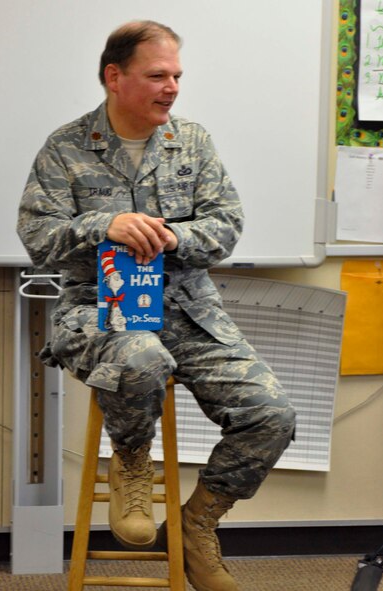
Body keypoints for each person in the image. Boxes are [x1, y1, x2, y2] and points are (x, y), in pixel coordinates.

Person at [17, 20, 296, 591]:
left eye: (176, 76)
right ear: (114, 78)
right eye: (157, 75)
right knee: (141, 356)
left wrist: (176, 238)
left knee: (272, 415)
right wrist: (105, 224)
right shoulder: (66, 147)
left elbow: (226, 226)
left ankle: (198, 522)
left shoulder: (190, 142)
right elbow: (37, 236)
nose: (171, 87)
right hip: (96, 310)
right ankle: (131, 459)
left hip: (189, 309)